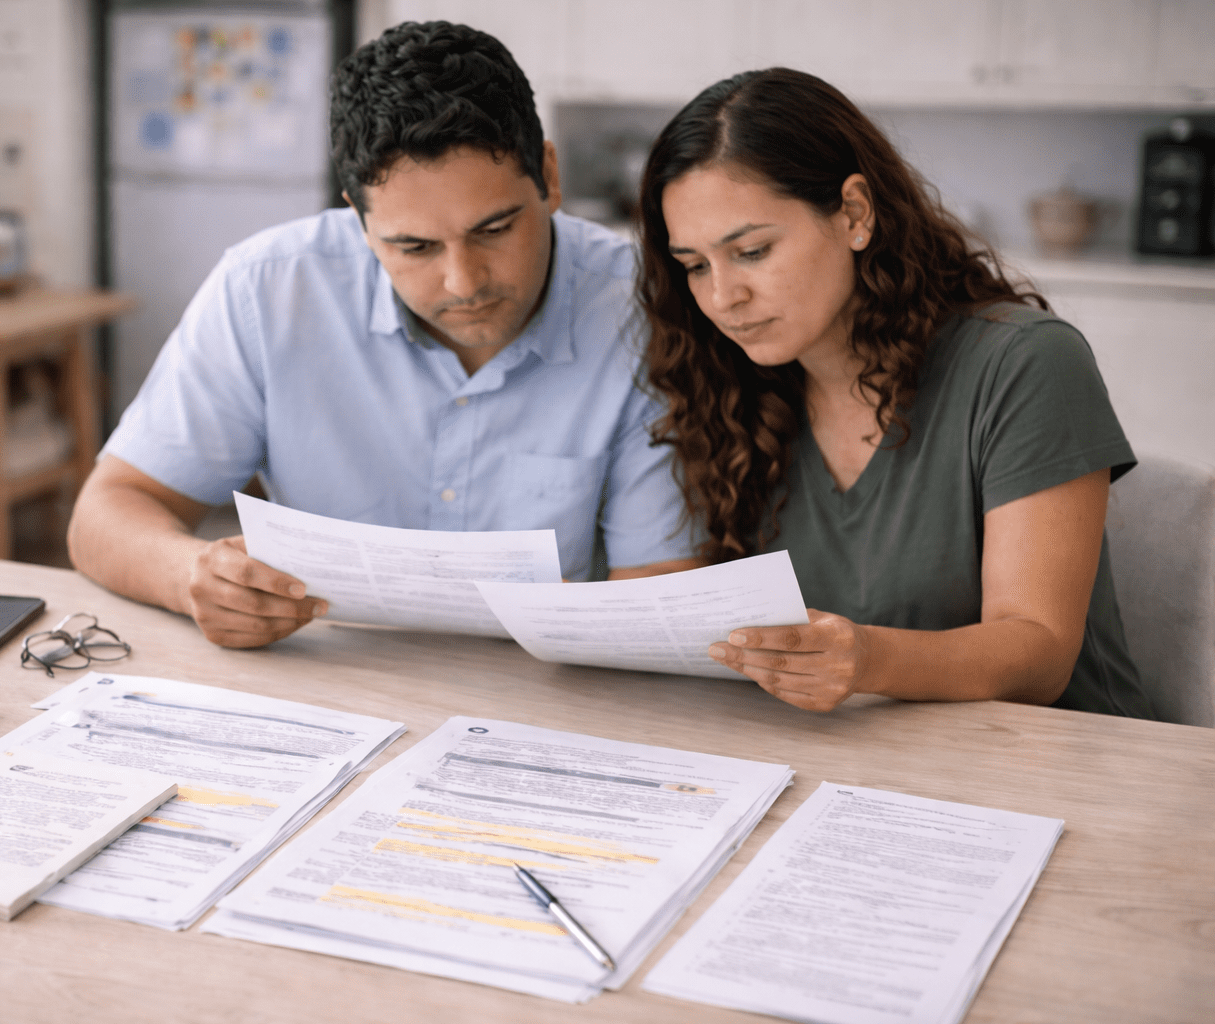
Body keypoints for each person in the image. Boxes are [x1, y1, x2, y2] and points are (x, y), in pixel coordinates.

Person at [68, 21, 698, 650]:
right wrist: (189, 575)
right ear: (359, 220)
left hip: (556, 693)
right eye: (414, 246)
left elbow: (651, 601)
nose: (463, 281)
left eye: (496, 229)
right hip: (329, 683)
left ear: (550, 178)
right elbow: (107, 512)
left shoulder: (646, 309)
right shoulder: (268, 289)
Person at [635, 67, 1154, 718]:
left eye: (753, 251)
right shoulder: (733, 386)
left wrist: (868, 660)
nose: (722, 297)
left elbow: (1040, 655)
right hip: (866, 774)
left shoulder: (1025, 362)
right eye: (694, 267)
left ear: (854, 212)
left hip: (1066, 769)